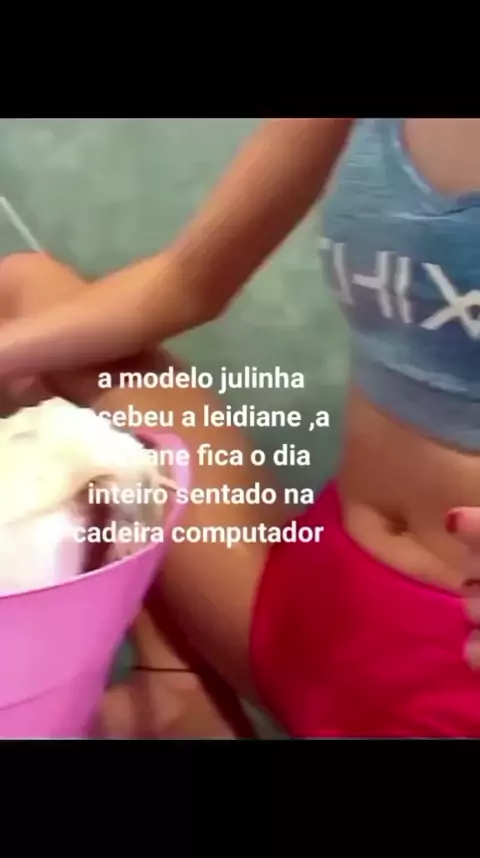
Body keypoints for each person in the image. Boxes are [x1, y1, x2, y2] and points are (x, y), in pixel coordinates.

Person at [2, 118, 480, 737]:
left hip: (454, 669)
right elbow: (184, 281)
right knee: (27, 292)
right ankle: (177, 686)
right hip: (314, 596)